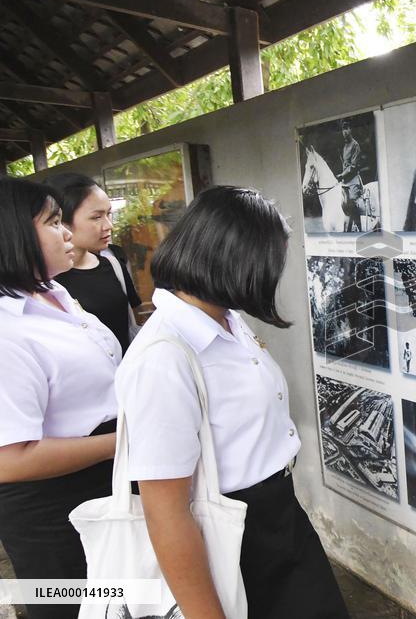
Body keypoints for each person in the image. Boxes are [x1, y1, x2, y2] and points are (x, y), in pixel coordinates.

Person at [115, 187, 349, 618]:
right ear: (233, 261)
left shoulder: (224, 320)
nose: (273, 276)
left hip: (279, 515)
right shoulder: (164, 357)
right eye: (270, 263)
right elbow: (165, 510)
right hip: (228, 533)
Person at [0, 177, 119, 619]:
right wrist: (121, 441)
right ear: (12, 234)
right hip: (49, 507)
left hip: (100, 479)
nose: (67, 232)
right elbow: (9, 458)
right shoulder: (6, 328)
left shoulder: (54, 292)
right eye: (53, 222)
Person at [44, 173, 142, 352]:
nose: (108, 225)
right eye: (96, 217)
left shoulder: (113, 265)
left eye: (108, 214)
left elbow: (131, 323)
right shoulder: (46, 282)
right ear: (62, 222)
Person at [339, 120, 364, 232]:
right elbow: (345, 164)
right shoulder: (345, 146)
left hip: (353, 180)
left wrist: (342, 174)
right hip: (345, 181)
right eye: (343, 129)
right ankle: (346, 229)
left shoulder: (355, 145)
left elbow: (353, 166)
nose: (344, 132)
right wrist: (342, 176)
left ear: (351, 129)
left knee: (352, 202)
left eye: (347, 128)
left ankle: (359, 228)